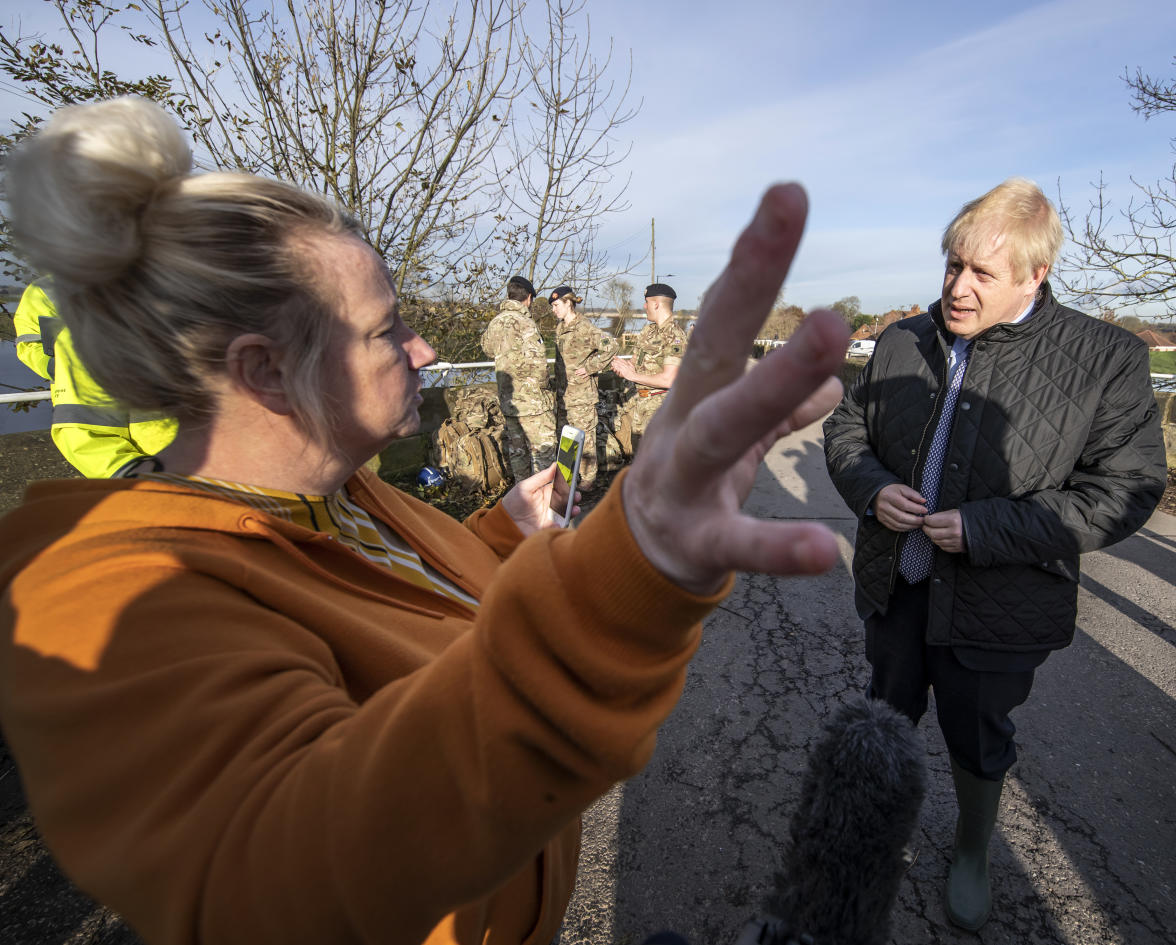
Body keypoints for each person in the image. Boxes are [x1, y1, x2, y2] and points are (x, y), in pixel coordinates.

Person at [0, 96, 850, 945]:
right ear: (264, 370)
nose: (425, 350)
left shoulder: (336, 490)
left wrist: (499, 537)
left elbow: (386, 601)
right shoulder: (112, 594)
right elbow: (296, 875)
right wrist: (637, 568)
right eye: (387, 329)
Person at [822, 178, 1166, 931]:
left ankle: (971, 849)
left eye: (982, 273)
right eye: (952, 264)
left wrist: (986, 528)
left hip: (998, 602)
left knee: (978, 731)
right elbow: (846, 431)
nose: (957, 287)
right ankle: (875, 834)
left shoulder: (1104, 359)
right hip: (898, 582)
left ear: (1035, 275)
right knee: (887, 711)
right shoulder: (902, 340)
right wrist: (873, 487)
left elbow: (1128, 488)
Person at [12, 279, 180, 477]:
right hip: (145, 454)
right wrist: (69, 368)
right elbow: (30, 343)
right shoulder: (47, 289)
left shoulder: (184, 288)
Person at [480, 275, 557, 478]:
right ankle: (544, 502)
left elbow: (487, 348)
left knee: (518, 453)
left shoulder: (495, 323)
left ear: (509, 295)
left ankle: (522, 499)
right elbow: (540, 364)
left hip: (509, 402)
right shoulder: (526, 323)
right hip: (533, 404)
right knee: (544, 454)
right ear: (529, 298)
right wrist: (544, 389)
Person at [550, 285, 617, 490]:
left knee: (585, 437)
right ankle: (569, 477)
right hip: (564, 395)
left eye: (556, 305)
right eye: (552, 306)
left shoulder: (584, 328)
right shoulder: (560, 329)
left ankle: (588, 478)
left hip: (582, 395)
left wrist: (591, 367)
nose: (554, 310)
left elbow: (612, 345)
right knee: (566, 436)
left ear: (568, 303)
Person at [610, 282, 686, 456]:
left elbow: (669, 379)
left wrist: (633, 375)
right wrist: (622, 367)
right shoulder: (648, 332)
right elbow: (636, 365)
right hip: (641, 407)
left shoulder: (675, 336)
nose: (644, 306)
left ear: (656, 304)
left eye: (646, 302)